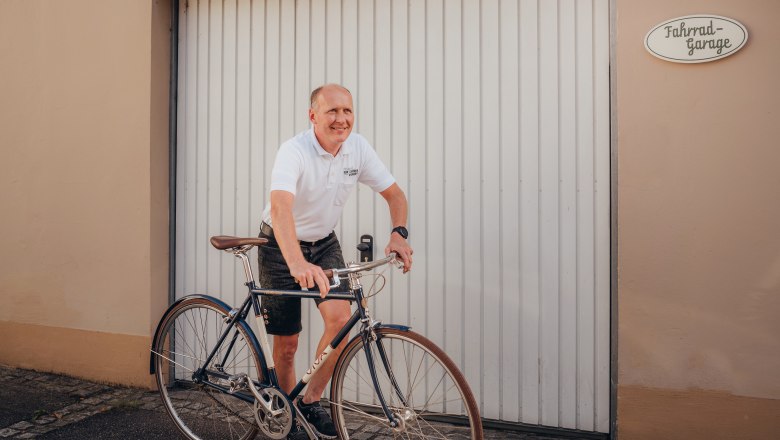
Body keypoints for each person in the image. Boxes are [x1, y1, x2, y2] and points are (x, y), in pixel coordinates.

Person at [257, 83, 413, 439]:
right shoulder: (293, 151)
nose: (341, 119)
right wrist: (296, 263)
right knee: (288, 343)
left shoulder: (357, 149)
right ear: (313, 116)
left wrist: (399, 233)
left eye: (347, 111)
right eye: (332, 111)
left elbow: (395, 194)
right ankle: (285, 410)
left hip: (324, 243)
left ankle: (310, 402)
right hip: (279, 246)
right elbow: (281, 208)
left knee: (342, 322)